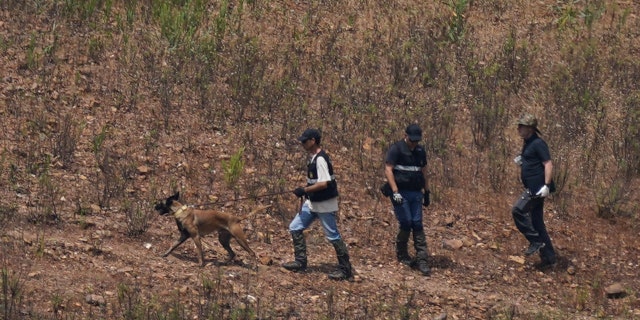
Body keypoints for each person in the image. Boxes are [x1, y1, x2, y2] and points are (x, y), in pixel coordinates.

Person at [282, 128, 354, 281]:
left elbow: (323, 183)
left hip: (325, 204)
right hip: (313, 202)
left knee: (332, 235)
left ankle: (345, 269)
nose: (302, 143)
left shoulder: (321, 159)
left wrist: (304, 189)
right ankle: (300, 262)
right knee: (295, 227)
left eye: (305, 141)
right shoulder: (313, 157)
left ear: (313, 141)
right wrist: (305, 191)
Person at [384, 123, 431, 276]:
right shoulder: (396, 149)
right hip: (401, 192)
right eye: (412, 140)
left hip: (416, 192)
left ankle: (422, 259)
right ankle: (402, 253)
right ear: (406, 136)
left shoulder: (420, 151)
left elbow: (424, 171)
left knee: (417, 223)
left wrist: (427, 191)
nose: (414, 143)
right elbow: (388, 169)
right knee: (406, 222)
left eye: (417, 141)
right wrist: (395, 191)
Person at [511, 113, 557, 268]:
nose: (518, 129)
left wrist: (546, 185)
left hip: (537, 188)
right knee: (537, 222)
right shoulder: (528, 142)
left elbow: (548, 164)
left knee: (517, 210)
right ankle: (549, 258)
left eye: (521, 126)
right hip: (533, 187)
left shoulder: (538, 143)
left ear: (530, 128)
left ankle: (535, 241)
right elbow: (533, 160)